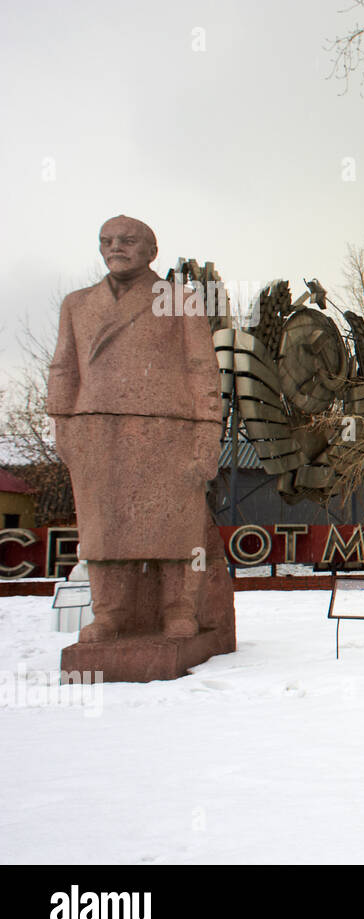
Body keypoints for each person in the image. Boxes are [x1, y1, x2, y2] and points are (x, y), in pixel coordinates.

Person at [47, 215, 225, 643]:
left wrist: (207, 432)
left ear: (151, 251)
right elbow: (63, 366)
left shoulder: (178, 299)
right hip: (97, 427)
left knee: (176, 527)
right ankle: (109, 615)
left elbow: (202, 367)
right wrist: (63, 423)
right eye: (106, 241)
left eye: (127, 241)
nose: (115, 248)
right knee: (103, 530)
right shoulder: (77, 303)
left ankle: (179, 610)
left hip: (169, 428)